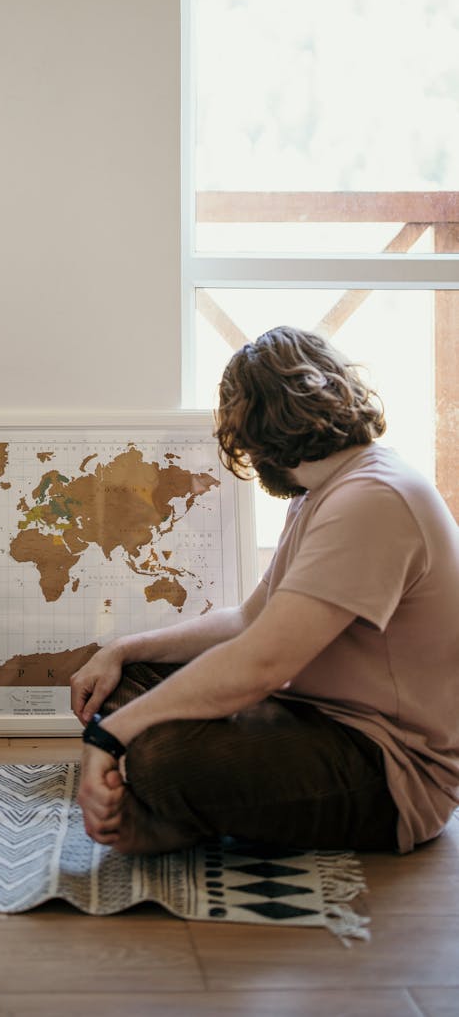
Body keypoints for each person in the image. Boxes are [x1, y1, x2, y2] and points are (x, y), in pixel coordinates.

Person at [71, 326, 459, 856]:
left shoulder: (373, 498)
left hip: (388, 768)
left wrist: (108, 737)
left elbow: (260, 663)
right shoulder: (323, 492)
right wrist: (121, 650)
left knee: (159, 753)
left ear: (260, 427)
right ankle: (173, 809)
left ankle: (172, 815)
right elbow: (248, 621)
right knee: (130, 678)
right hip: (314, 718)